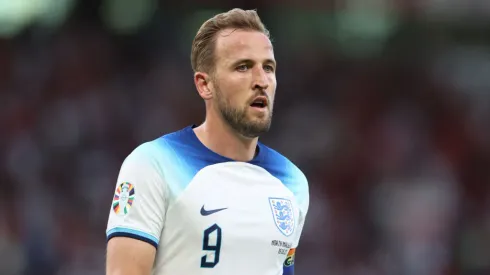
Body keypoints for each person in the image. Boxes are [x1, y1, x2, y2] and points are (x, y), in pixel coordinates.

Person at [105, 8, 309, 275]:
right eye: (243, 67)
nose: (261, 81)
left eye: (268, 68)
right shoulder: (153, 165)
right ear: (204, 84)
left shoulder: (292, 183)